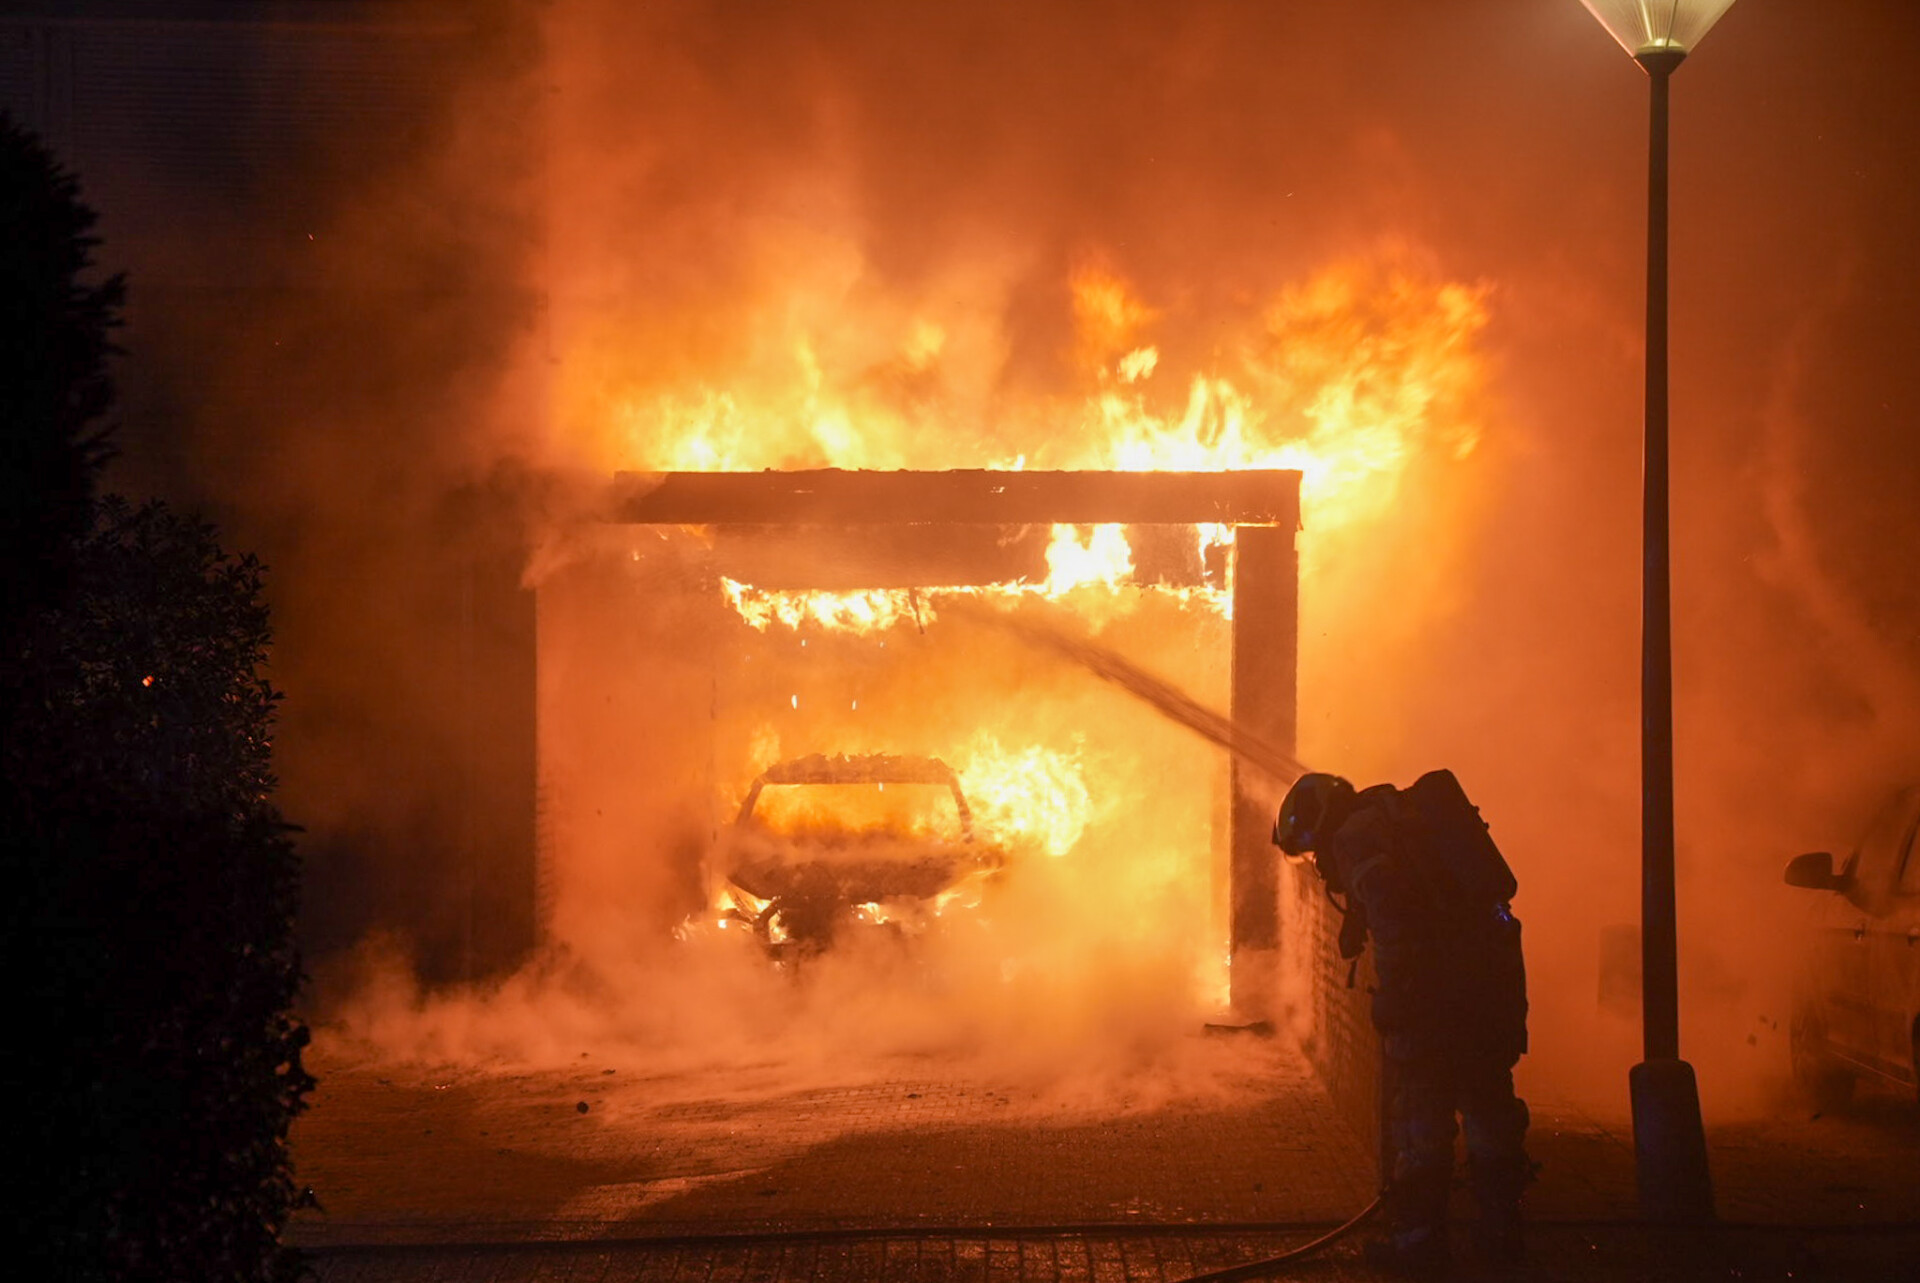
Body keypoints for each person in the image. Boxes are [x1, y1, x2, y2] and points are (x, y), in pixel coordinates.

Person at [1273, 772, 1531, 1273]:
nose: (1319, 863)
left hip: (1433, 1001)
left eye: (1312, 850)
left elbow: (1396, 922)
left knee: (1420, 1126)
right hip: (1490, 987)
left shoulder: (1356, 837)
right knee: (1490, 1112)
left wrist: (1395, 999)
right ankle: (1501, 1235)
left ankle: (1419, 1245)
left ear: (1318, 821)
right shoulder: (1398, 821)